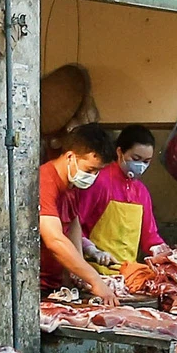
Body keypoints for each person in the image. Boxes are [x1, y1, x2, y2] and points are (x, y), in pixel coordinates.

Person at [73, 125, 165, 287]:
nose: (141, 166)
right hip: (95, 276)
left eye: (146, 161)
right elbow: (73, 225)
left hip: (128, 279)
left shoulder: (142, 192)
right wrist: (92, 250)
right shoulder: (99, 181)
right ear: (120, 152)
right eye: (136, 159)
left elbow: (149, 237)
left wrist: (168, 255)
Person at [38, 124, 118, 302]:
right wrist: (95, 280)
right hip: (36, 285)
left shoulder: (73, 185)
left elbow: (74, 224)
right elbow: (55, 240)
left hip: (57, 286)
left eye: (97, 171)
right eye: (90, 170)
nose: (93, 176)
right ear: (70, 156)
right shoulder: (45, 182)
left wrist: (78, 273)